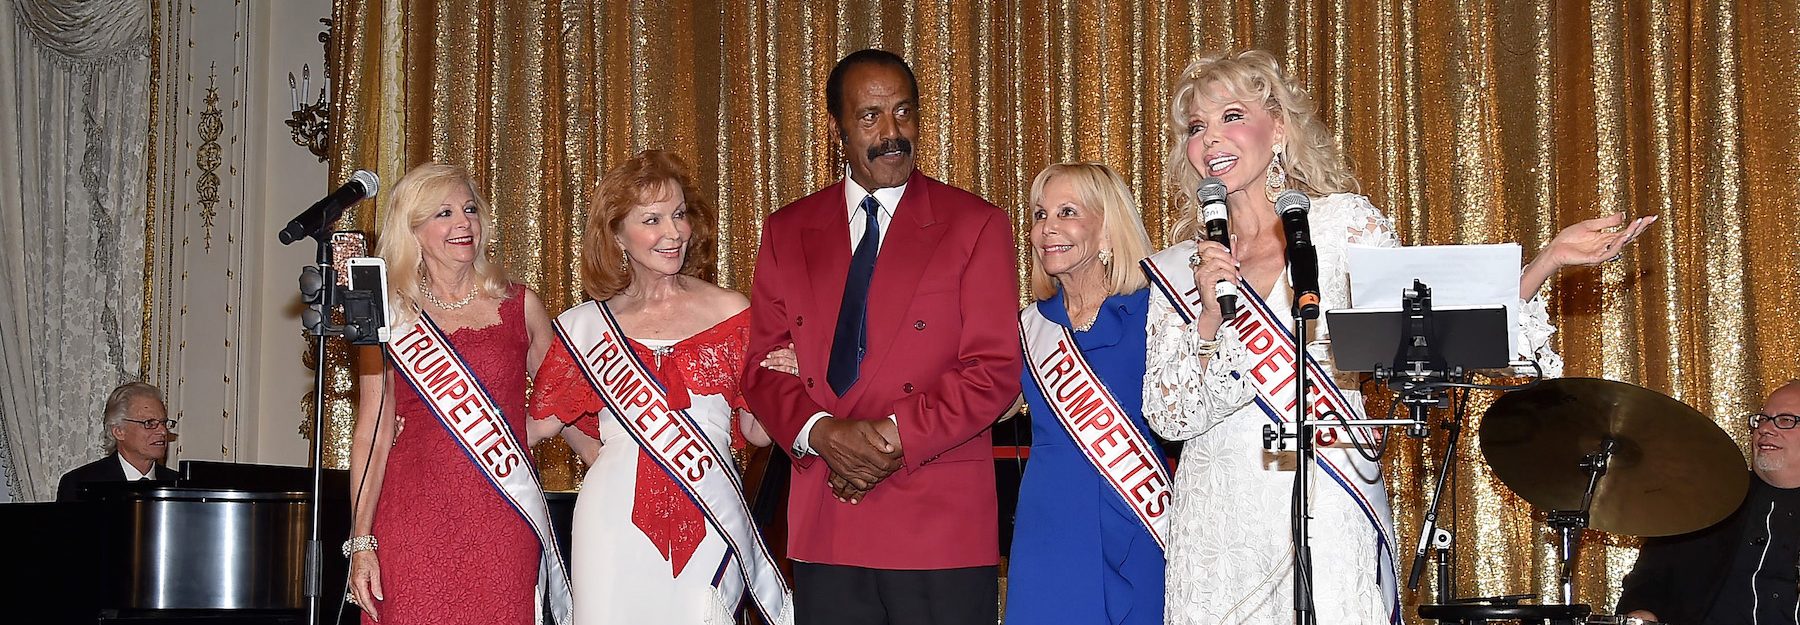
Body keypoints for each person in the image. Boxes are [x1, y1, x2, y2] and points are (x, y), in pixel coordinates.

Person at [1142, 49, 1654, 625]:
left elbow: (1434, 329)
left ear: (1279, 127)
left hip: (1327, 499)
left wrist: (1548, 260)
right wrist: (1211, 316)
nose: (1211, 138)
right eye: (1196, 127)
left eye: (1231, 116)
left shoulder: (1339, 227)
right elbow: (1168, 416)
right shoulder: (1179, 266)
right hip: (1216, 518)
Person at [740, 48, 1023, 625]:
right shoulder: (787, 230)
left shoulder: (977, 225)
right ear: (839, 127)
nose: (891, 133)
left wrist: (889, 440)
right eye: (870, 116)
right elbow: (762, 369)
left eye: (903, 113)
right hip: (826, 517)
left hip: (938, 520)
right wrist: (822, 433)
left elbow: (994, 370)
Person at [528, 150, 790, 625]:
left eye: (678, 214)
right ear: (617, 235)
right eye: (651, 219)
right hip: (610, 525)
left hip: (710, 512)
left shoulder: (734, 313)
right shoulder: (585, 327)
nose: (673, 233)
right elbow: (536, 425)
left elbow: (757, 432)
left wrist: (784, 376)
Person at [344, 162, 571, 624]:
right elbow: (372, 432)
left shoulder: (519, 304)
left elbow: (567, 395)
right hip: (412, 516)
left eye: (469, 209)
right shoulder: (387, 312)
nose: (463, 222)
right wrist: (362, 539)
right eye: (442, 213)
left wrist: (530, 429)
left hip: (502, 514)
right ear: (413, 230)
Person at [1005, 162, 1166, 624]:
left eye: (1067, 212)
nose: (1046, 228)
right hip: (1050, 526)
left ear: (1108, 231)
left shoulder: (1158, 313)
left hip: (1141, 519)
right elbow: (970, 394)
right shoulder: (1029, 327)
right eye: (1039, 215)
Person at [1616, 380, 1800, 624]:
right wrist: (1642, 612)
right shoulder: (1708, 500)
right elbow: (1648, 582)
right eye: (1762, 419)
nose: (1765, 428)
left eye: (1785, 420)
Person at [56, 381, 176, 501]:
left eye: (163, 423)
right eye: (149, 423)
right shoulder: (80, 484)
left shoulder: (179, 484)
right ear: (119, 431)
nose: (163, 431)